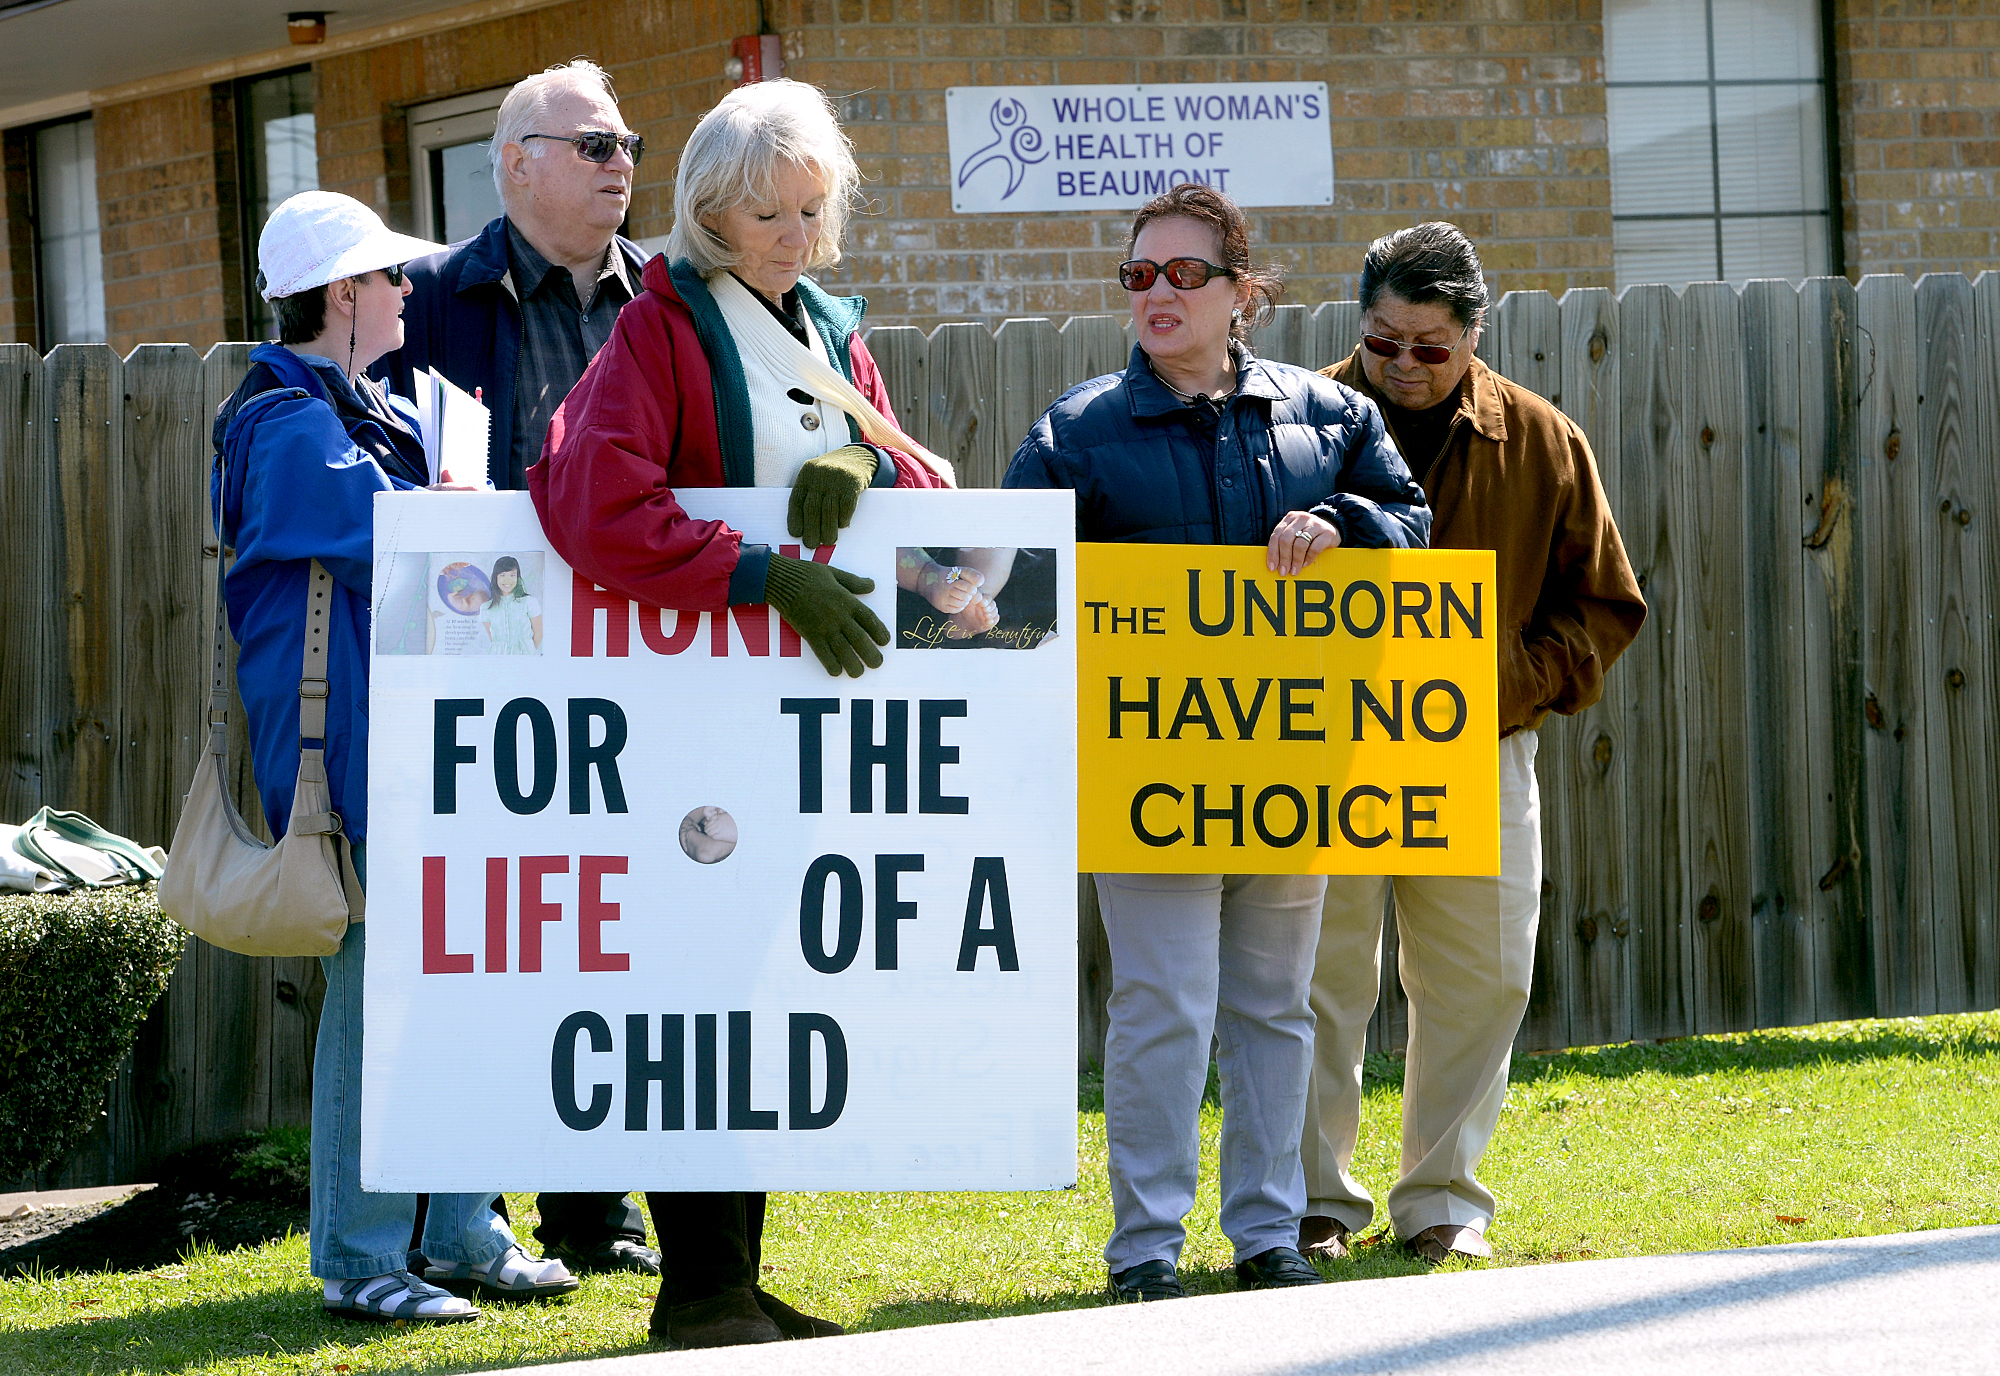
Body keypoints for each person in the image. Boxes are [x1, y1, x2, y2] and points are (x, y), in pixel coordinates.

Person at [531, 78, 948, 1348]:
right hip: (681, 706)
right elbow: (591, 502)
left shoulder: (827, 325)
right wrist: (761, 572)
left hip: (792, 719)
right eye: (769, 213)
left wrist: (859, 457)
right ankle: (697, 1281)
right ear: (711, 210)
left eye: (811, 209)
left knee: (759, 984)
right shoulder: (656, 330)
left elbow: (921, 473)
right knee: (693, 984)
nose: (795, 236)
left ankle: (729, 1275)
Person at [1004, 184, 1431, 1303]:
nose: (1156, 292)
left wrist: (1340, 522)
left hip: (1291, 768)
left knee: (1273, 1004)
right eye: (1137, 274)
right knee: (1160, 1003)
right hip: (1147, 773)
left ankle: (1267, 1233)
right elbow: (1002, 594)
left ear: (1243, 291)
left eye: (1183, 273)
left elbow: (1414, 524)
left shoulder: (1328, 417)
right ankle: (1144, 1246)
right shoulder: (1075, 431)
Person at [212, 189, 577, 1322]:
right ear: (338, 296)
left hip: (425, 749)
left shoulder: (367, 409)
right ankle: (362, 1252)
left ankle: (464, 1228)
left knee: (459, 982)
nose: (407, 289)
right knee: (376, 997)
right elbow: (414, 544)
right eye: (385, 276)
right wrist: (462, 503)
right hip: (354, 754)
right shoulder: (285, 424)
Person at [1299, 222, 1647, 1265]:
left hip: (1477, 745)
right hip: (1322, 743)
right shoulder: (1292, 418)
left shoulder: (1540, 438)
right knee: (1314, 978)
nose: (1401, 365)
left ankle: (1442, 1197)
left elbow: (1603, 604)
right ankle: (1314, 1201)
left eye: (1428, 347)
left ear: (1474, 335)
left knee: (1483, 974)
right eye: (1381, 341)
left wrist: (1509, 680)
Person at [377, 58, 658, 1277]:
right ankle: (459, 1220)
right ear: (515, 162)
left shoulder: (671, 296)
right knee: (490, 932)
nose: (619, 165)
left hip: (649, 653)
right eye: (591, 145)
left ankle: (598, 1215)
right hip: (480, 660)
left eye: (627, 144)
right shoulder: (435, 296)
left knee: (623, 927)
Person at [480, 555, 543, 653]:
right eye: (503, 575)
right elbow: (493, 639)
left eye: (512, 575)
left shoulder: (529, 602)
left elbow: (538, 633)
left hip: (525, 655)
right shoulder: (486, 607)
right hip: (497, 656)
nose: (507, 580)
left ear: (517, 577)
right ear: (496, 578)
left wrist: (529, 652)